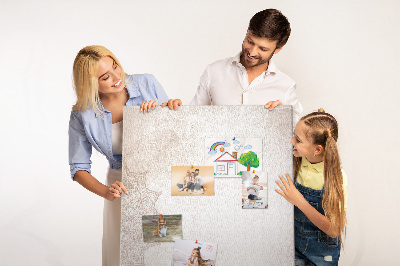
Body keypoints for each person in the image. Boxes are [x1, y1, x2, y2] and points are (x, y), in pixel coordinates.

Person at [68, 45, 180, 266]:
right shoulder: (82, 113)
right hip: (120, 189)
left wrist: (167, 110)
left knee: (163, 251)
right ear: (90, 84)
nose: (117, 77)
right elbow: (78, 167)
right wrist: (107, 192)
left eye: (115, 66)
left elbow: (176, 137)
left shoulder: (147, 83)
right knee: (125, 255)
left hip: (159, 183)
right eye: (105, 77)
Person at [190, 9, 303, 123]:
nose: (252, 52)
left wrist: (284, 119)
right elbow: (193, 119)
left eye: (262, 49)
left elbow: (299, 134)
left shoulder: (286, 86)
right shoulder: (214, 71)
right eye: (250, 41)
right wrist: (174, 111)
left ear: (277, 49)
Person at [275, 108, 347, 265]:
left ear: (317, 149)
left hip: (322, 255)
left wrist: (299, 201)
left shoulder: (335, 178)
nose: (292, 141)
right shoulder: (300, 159)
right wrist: (277, 111)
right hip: (295, 248)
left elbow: (334, 230)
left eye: (298, 140)